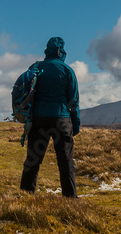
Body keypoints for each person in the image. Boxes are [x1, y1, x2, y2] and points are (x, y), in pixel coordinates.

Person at [18, 36, 80, 198]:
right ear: (61, 51)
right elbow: (73, 101)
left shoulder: (36, 67)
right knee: (66, 162)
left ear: (47, 50)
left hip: (38, 120)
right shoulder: (67, 71)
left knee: (33, 160)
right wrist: (76, 124)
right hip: (62, 120)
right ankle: (70, 199)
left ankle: (26, 194)